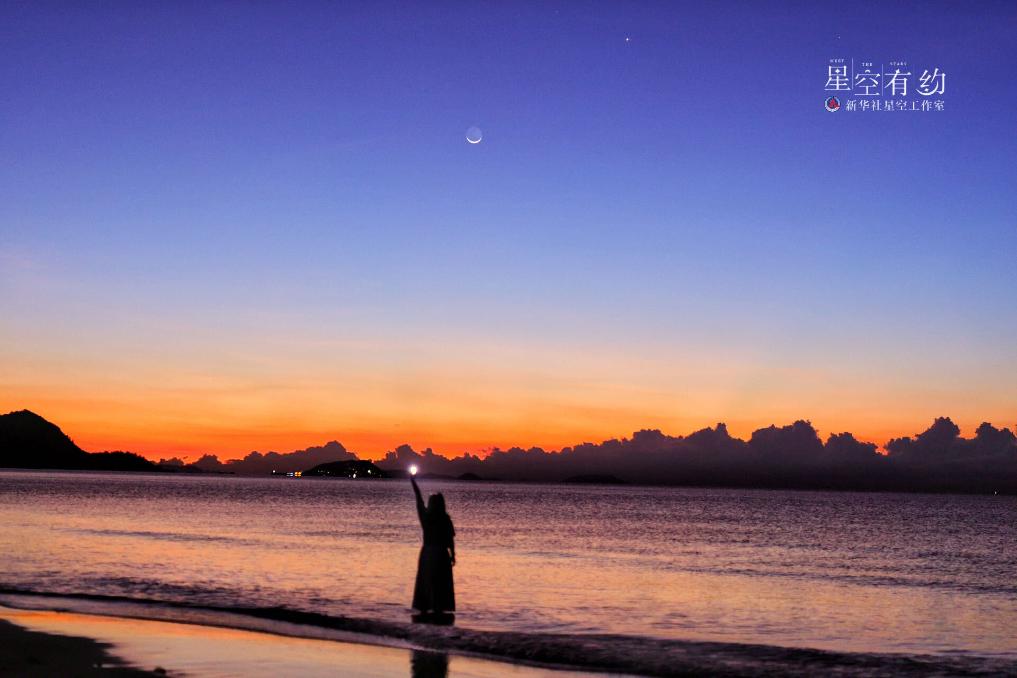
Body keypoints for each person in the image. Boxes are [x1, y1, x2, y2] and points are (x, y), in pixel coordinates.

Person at [410, 473, 455, 618]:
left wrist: (413, 482)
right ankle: (438, 611)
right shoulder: (445, 519)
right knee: (441, 584)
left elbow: (418, 499)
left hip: (428, 553)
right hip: (442, 554)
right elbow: (450, 540)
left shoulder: (426, 518)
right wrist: (453, 555)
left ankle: (425, 610)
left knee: (426, 581)